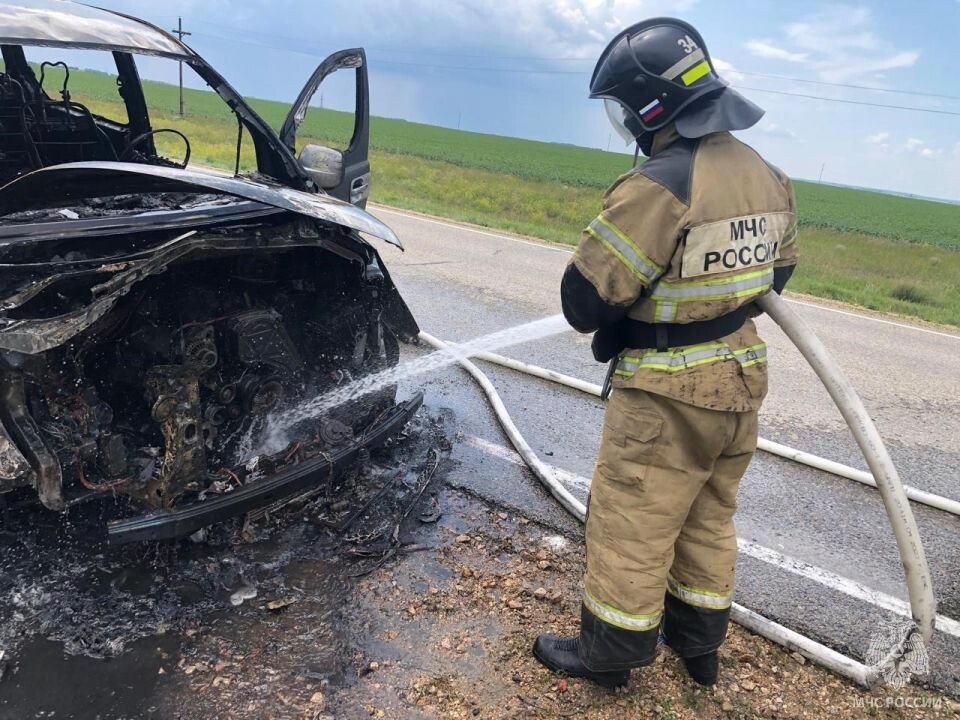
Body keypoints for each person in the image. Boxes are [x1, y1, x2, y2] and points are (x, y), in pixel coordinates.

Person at [532, 17, 800, 688]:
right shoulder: (768, 176)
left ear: (649, 105)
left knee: (635, 522)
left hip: (666, 397)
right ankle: (699, 650)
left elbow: (584, 300)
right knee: (709, 523)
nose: (623, 120)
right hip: (739, 386)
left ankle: (610, 658)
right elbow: (777, 277)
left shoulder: (661, 183)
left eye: (623, 107)